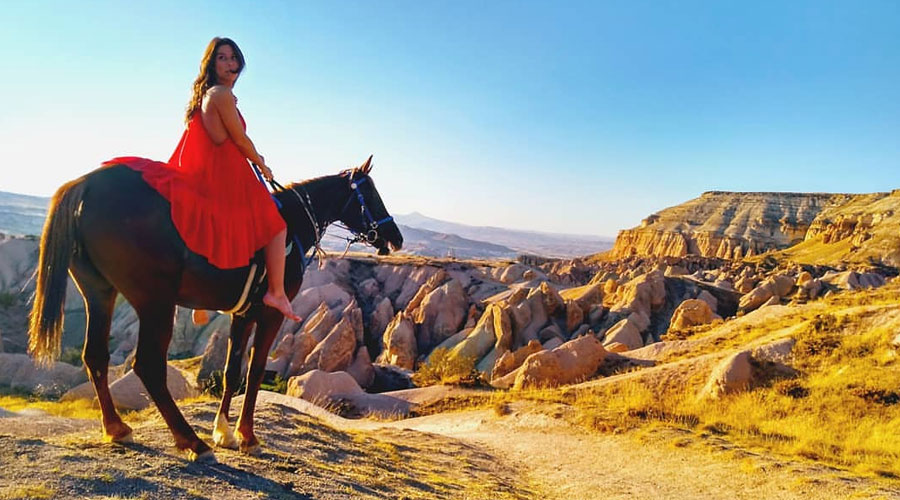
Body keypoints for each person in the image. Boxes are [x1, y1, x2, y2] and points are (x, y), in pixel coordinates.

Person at [104, 37, 300, 322]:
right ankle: (277, 292)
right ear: (212, 63)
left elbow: (219, 136)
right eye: (222, 58)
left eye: (233, 57)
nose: (230, 63)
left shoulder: (209, 94)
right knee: (275, 226)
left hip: (218, 166)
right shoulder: (220, 94)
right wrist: (261, 162)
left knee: (218, 223)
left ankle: (203, 299)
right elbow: (239, 139)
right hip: (226, 170)